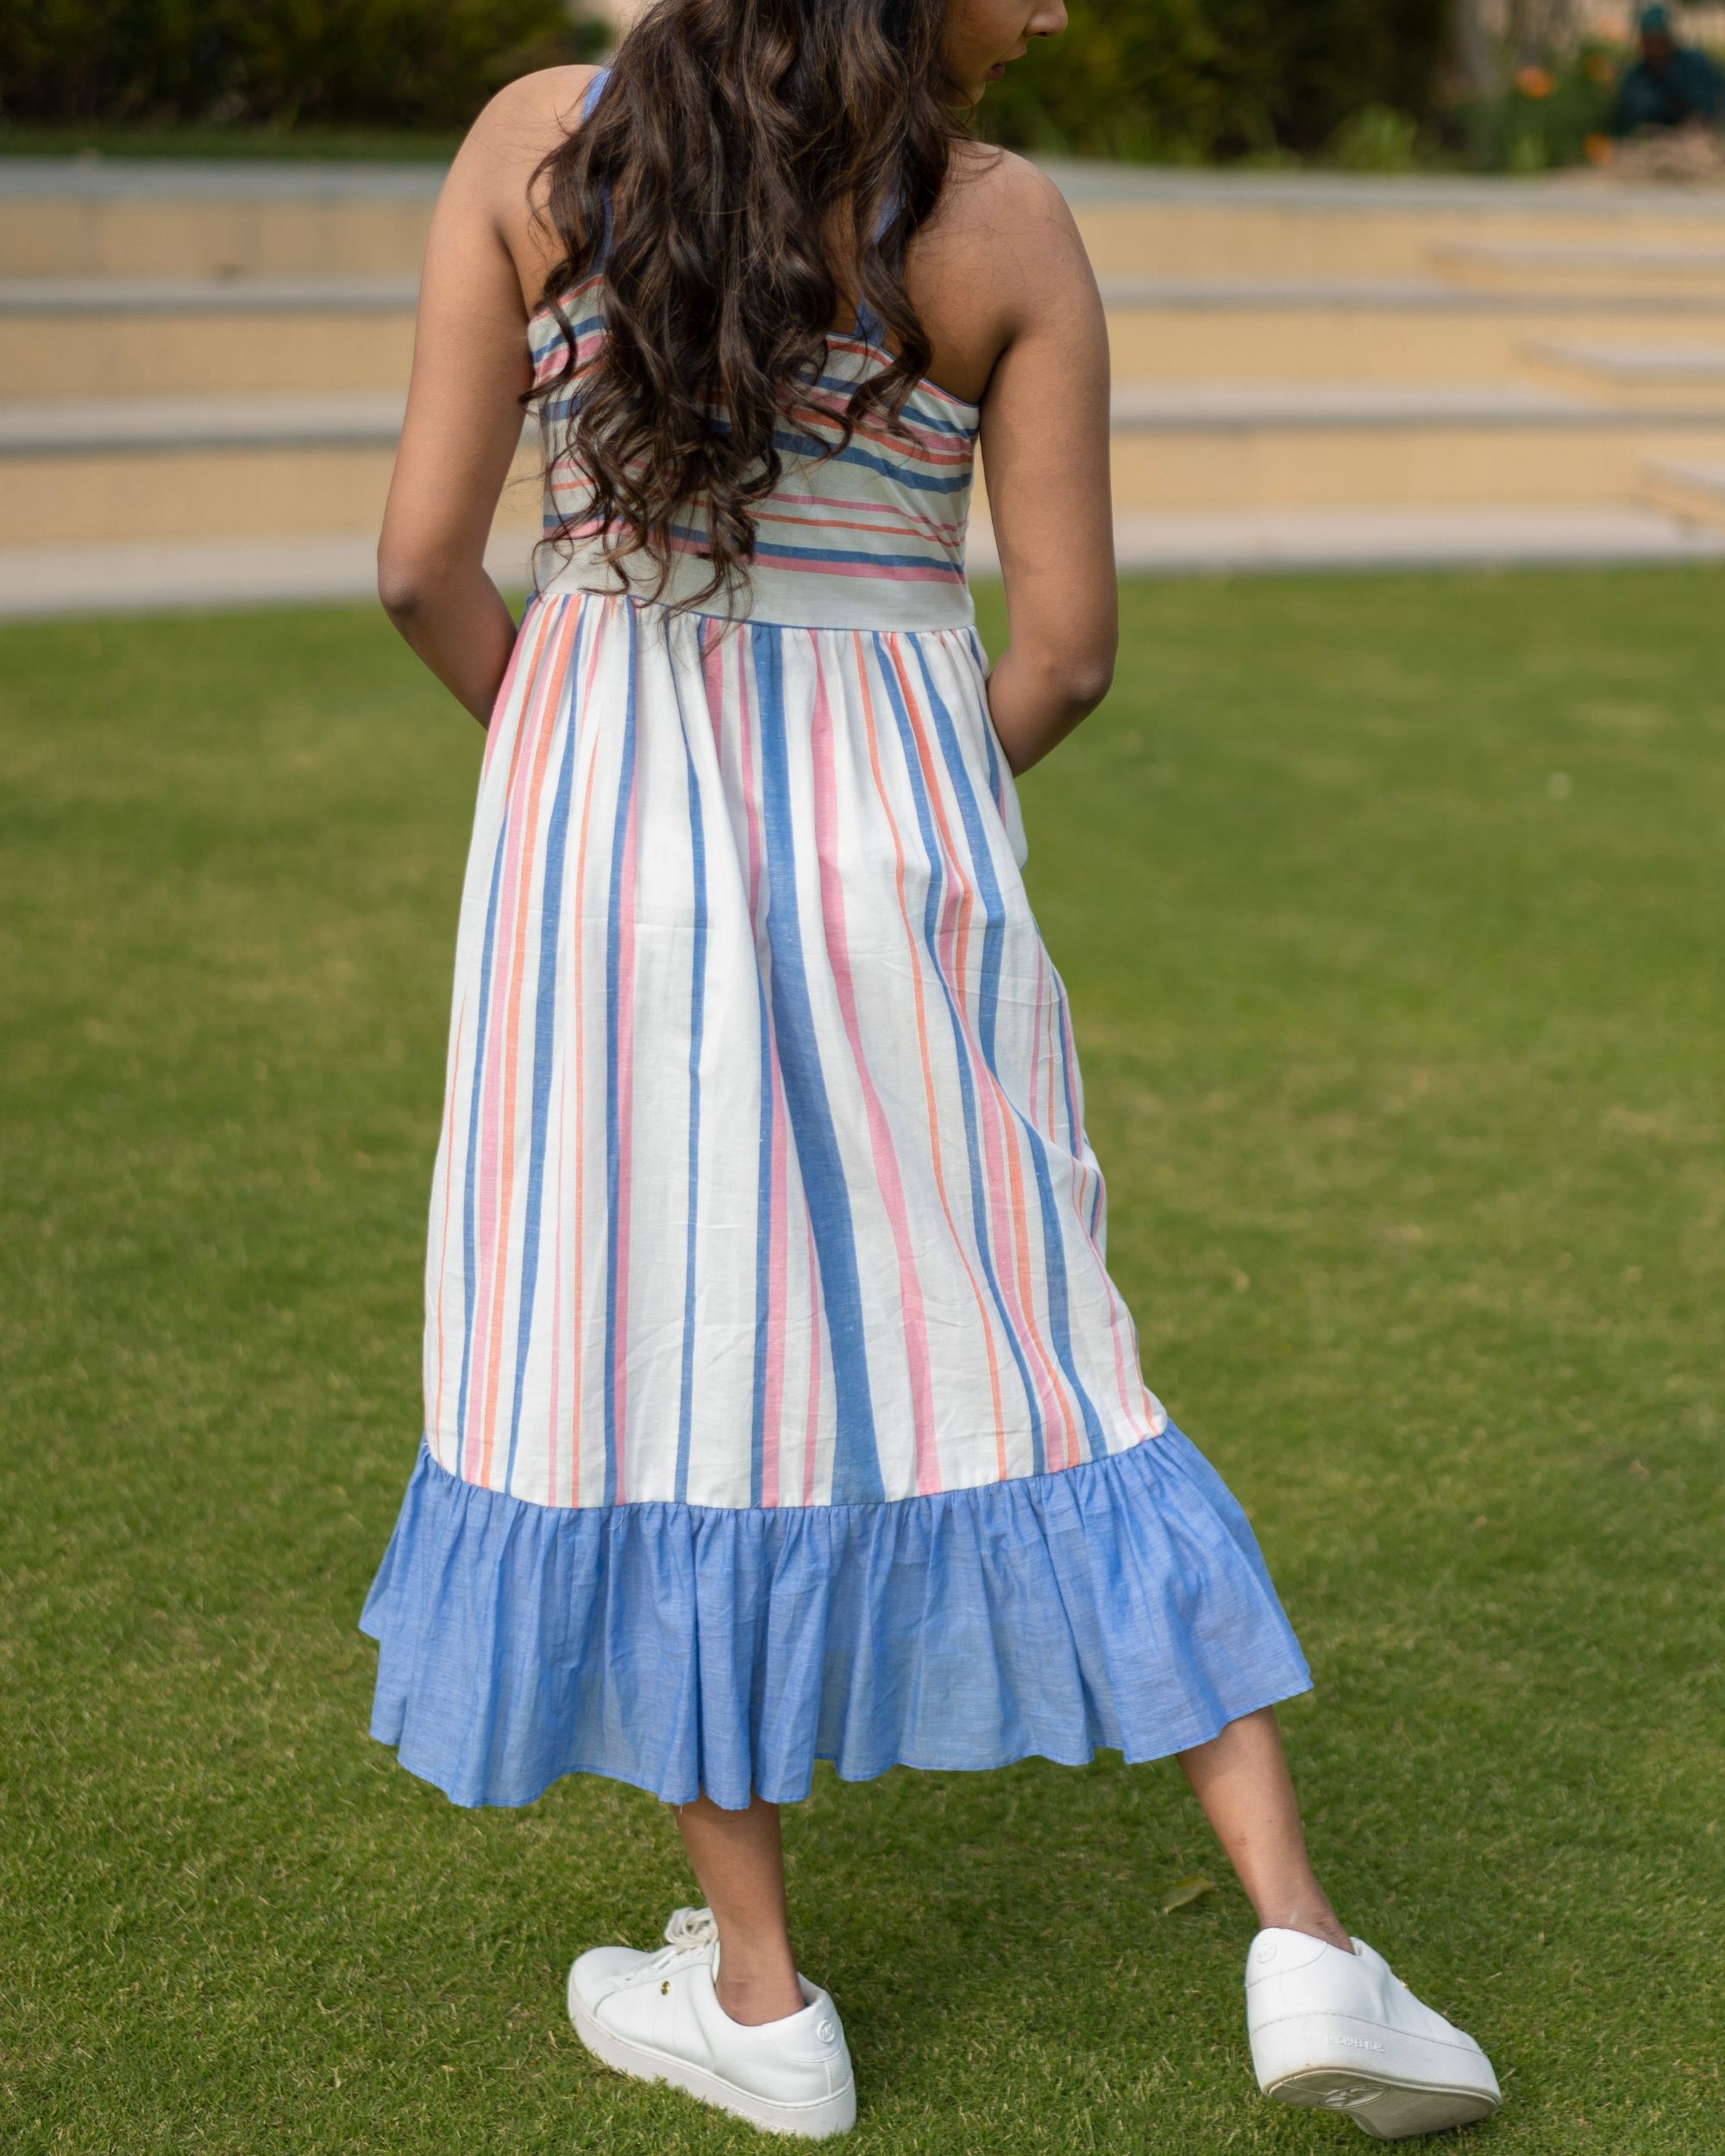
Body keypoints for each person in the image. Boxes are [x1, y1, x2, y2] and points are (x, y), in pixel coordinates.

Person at [361, 0, 1502, 2139]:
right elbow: (1058, 646)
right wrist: (871, 828)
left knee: (659, 1363)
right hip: (899, 841)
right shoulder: (1001, 229)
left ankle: (763, 2003)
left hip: (595, 854)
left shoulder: (541, 145)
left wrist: (586, 775)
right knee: (1037, 1344)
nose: (1062, 2)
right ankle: (1304, 1945)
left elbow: (423, 564)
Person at [1612, 3, 1724, 135]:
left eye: (1659, 42)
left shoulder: (1694, 65)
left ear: (1669, 39)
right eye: (1650, 43)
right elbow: (1634, 117)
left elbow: (1714, 96)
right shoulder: (1636, 81)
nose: (1655, 50)